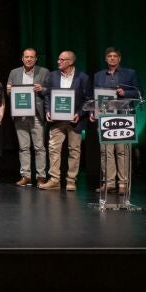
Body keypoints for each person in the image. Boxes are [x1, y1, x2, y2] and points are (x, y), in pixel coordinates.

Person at [91, 47, 140, 193]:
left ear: (119, 58)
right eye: (109, 56)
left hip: (123, 116)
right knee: (106, 152)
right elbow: (95, 96)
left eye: (115, 56)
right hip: (105, 117)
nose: (112, 58)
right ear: (106, 59)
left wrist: (125, 92)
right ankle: (109, 183)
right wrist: (93, 111)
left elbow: (139, 92)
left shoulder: (130, 73)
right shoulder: (98, 75)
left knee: (121, 151)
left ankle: (123, 184)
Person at [41, 51, 92, 191]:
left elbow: (88, 100)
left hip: (74, 121)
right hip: (56, 121)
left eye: (62, 60)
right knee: (53, 149)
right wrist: (48, 111)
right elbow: (47, 96)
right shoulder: (52, 75)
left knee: (74, 150)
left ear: (71, 62)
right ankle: (54, 180)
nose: (59, 61)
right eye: (59, 59)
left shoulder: (83, 77)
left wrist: (79, 114)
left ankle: (71, 180)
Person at [6, 48, 50, 187]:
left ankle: (41, 176)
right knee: (23, 147)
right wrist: (8, 90)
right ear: (22, 58)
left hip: (37, 114)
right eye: (26, 57)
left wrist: (42, 89)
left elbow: (50, 91)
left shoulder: (44, 72)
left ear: (36, 59)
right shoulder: (14, 72)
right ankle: (26, 176)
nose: (29, 59)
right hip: (20, 115)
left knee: (39, 147)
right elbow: (9, 91)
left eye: (31, 57)